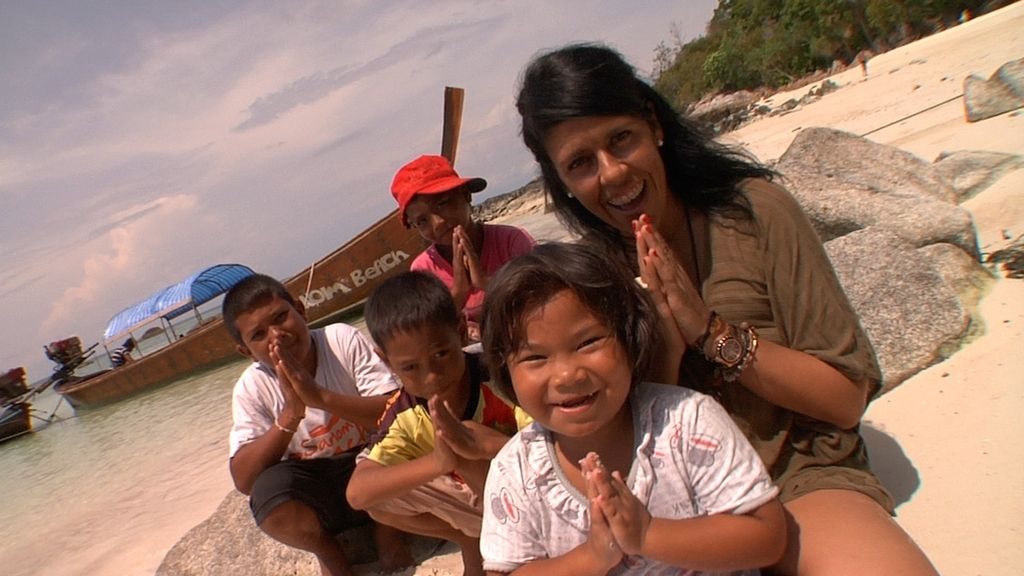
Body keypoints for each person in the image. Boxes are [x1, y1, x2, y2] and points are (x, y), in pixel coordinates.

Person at [515, 44, 938, 575]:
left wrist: (709, 331)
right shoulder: (593, 278)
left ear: (654, 125)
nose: (613, 172)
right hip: (669, 509)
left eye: (621, 139)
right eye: (580, 163)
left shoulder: (755, 214)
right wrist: (666, 347)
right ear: (562, 183)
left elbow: (844, 401)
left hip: (798, 475)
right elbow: (611, 428)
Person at [479, 242, 785, 574]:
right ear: (505, 371)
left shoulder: (687, 421)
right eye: (535, 358)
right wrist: (592, 557)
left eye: (588, 342)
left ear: (629, 338)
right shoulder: (516, 472)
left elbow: (767, 536)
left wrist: (647, 534)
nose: (567, 375)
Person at [222, 273, 412, 576]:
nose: (276, 336)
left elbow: (397, 413)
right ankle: (330, 553)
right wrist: (289, 415)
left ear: (301, 309)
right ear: (246, 352)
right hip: (320, 490)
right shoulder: (252, 386)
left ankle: (387, 531)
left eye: (281, 317)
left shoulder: (340, 339)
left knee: (403, 440)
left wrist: (321, 398)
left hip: (373, 470)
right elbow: (244, 481)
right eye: (258, 335)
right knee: (267, 495)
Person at [347, 271, 531, 576]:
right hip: (475, 502)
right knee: (378, 500)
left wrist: (490, 446)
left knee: (465, 443)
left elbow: (559, 441)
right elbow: (357, 493)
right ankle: (466, 537)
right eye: (410, 367)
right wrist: (439, 461)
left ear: (460, 330)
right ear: (387, 361)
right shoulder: (404, 412)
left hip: (529, 490)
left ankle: (516, 544)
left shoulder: (498, 376)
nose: (431, 376)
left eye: (441, 354)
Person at [390, 154, 536, 342]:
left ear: (466, 195)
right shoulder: (424, 269)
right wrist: (458, 291)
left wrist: (486, 282)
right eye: (422, 221)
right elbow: (431, 332)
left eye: (443, 204)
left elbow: (544, 302)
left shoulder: (512, 241)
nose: (438, 223)